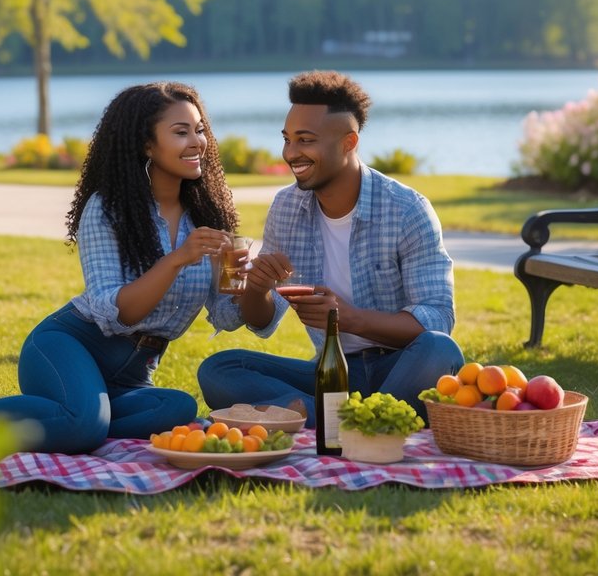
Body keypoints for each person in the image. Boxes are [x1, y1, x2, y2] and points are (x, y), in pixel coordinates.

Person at [0, 81, 247, 453]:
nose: (198, 142)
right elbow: (118, 310)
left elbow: (228, 314)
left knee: (176, 409)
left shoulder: (205, 218)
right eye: (182, 132)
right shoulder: (108, 209)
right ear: (146, 143)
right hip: (67, 346)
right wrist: (177, 259)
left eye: (200, 130)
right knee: (86, 425)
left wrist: (257, 286)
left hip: (130, 377)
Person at [198, 70, 463, 424]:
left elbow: (438, 318)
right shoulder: (286, 208)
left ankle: (313, 416)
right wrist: (256, 289)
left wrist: (348, 319)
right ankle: (359, 419)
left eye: (305, 140)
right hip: (333, 373)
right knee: (220, 368)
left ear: (348, 143)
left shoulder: (407, 210)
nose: (291, 153)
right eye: (287, 139)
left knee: (439, 350)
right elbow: (263, 320)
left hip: (402, 365)